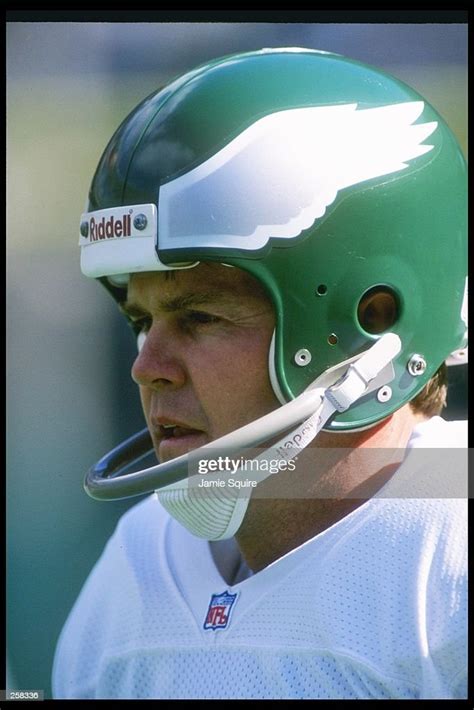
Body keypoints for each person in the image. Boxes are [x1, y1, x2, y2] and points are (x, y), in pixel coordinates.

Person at [52, 47, 467, 700]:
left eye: (199, 317)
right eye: (140, 321)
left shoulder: (448, 559)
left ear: (371, 315)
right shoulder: (134, 567)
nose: (146, 368)